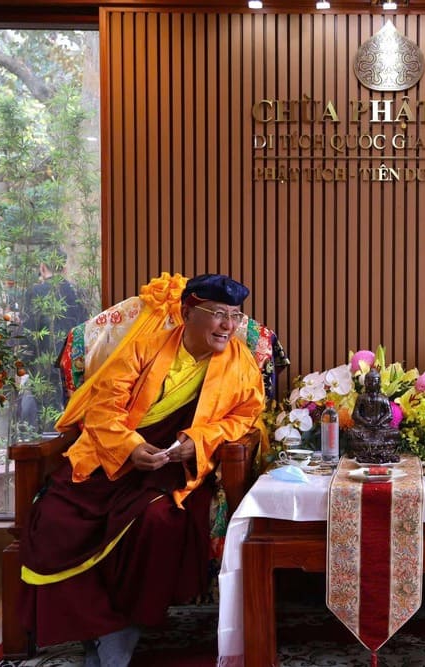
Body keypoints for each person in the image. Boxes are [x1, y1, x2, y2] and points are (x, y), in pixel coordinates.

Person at [18, 273, 265, 667]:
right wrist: (131, 447)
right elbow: (103, 408)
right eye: (218, 314)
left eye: (235, 316)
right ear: (188, 312)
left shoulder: (241, 365)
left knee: (157, 520)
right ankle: (95, 628)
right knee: (55, 518)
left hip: (175, 469)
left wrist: (197, 439)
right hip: (110, 460)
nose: (228, 326)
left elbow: (246, 419)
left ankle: (122, 630)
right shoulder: (144, 348)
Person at [17, 250, 90, 428]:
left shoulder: (36, 291)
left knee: (46, 417)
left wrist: (23, 363)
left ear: (42, 267)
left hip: (45, 362)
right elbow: (86, 327)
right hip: (75, 362)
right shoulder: (77, 291)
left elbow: (29, 331)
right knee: (72, 413)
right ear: (64, 268)